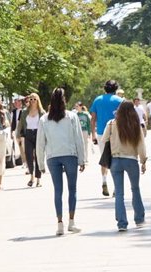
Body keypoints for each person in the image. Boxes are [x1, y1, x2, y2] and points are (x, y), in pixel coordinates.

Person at [36, 88, 87, 236]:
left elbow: (40, 143)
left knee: (58, 191)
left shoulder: (44, 119)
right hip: (70, 155)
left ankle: (59, 224)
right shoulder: (72, 116)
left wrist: (40, 164)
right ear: (64, 100)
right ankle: (71, 222)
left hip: (52, 156)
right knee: (72, 189)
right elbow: (79, 139)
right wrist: (82, 159)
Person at [100, 101, 147, 231]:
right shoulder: (135, 125)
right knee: (135, 189)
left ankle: (122, 223)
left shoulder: (111, 123)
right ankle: (139, 219)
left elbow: (104, 140)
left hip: (115, 160)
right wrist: (143, 161)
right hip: (131, 160)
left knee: (119, 193)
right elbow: (141, 145)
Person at [91, 80, 123, 197]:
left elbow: (93, 118)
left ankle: (104, 180)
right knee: (116, 158)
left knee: (104, 158)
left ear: (105, 88)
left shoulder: (97, 100)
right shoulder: (120, 101)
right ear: (116, 89)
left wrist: (93, 134)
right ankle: (116, 186)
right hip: (116, 132)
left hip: (101, 133)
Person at [16, 93, 45, 187]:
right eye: (31, 99)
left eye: (34, 99)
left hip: (38, 134)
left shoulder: (42, 112)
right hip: (28, 134)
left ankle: (38, 179)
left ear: (38, 100)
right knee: (28, 155)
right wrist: (18, 135)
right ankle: (31, 177)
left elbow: (45, 126)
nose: (32, 101)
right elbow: (20, 124)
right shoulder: (25, 112)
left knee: (38, 156)